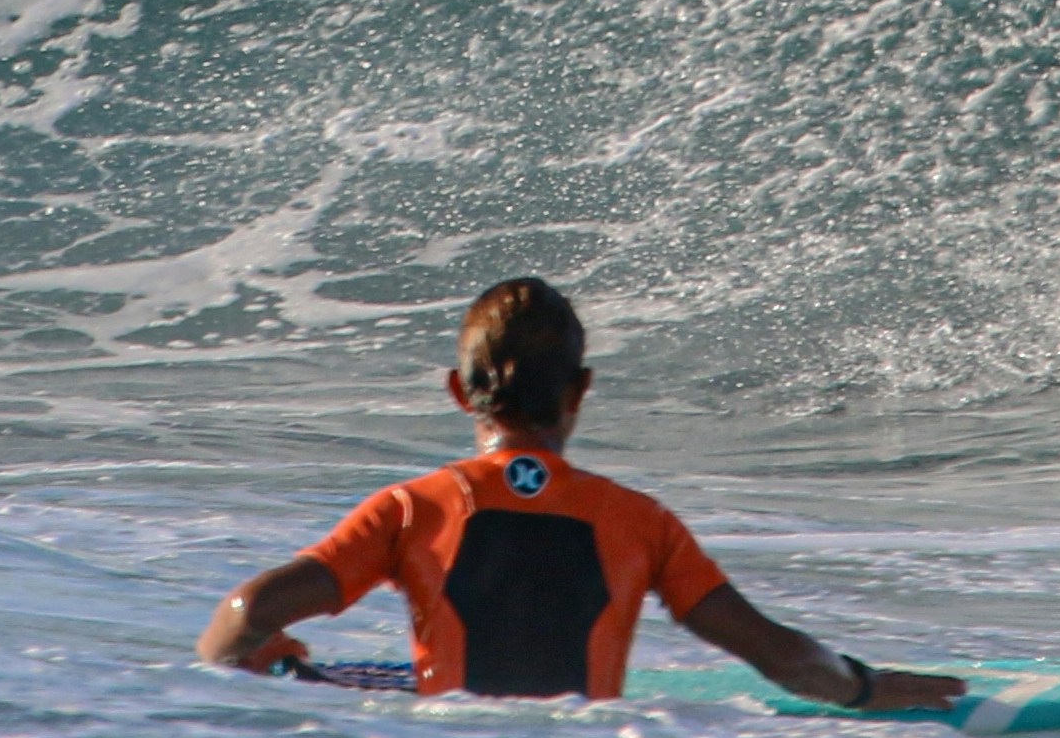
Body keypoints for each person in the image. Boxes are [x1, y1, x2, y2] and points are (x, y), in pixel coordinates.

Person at [195, 279, 967, 710]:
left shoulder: (410, 511)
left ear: (461, 395)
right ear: (582, 391)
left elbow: (241, 620)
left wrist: (279, 676)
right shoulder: (640, 523)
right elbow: (778, 657)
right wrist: (869, 688)